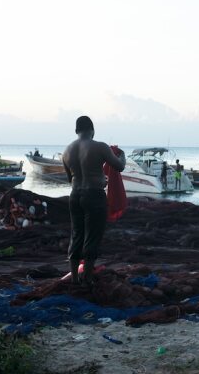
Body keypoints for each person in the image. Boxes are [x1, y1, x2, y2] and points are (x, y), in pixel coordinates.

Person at [62, 116, 126, 285]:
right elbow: (119, 166)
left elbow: (71, 179)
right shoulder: (100, 147)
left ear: (76, 131)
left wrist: (95, 179)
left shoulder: (67, 151)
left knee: (76, 235)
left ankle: (75, 278)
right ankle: (88, 278)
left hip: (75, 196)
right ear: (92, 130)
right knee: (92, 236)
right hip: (94, 196)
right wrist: (122, 155)